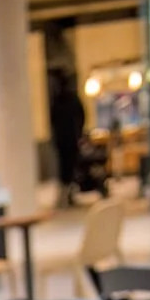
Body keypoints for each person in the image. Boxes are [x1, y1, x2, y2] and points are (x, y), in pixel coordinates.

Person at [50, 75, 86, 207]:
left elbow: (53, 121)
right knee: (69, 169)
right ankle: (68, 194)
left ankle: (67, 195)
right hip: (69, 140)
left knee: (66, 169)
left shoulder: (58, 101)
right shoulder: (71, 100)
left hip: (65, 140)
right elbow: (82, 117)